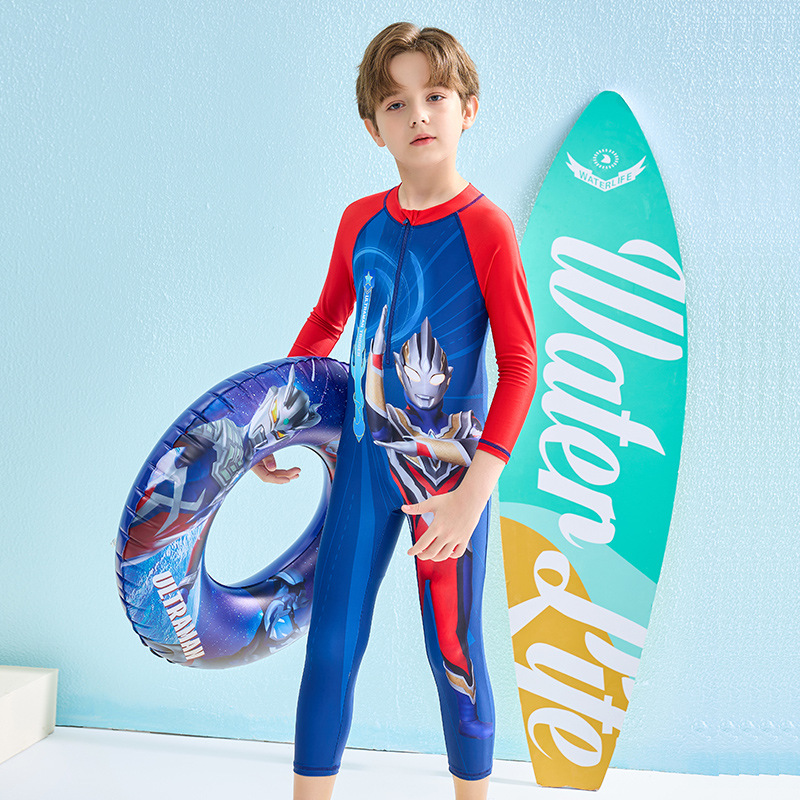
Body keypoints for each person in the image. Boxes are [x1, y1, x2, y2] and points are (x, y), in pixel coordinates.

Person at [253, 22, 537, 800]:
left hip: (449, 478)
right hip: (362, 470)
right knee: (332, 645)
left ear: (468, 108)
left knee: (454, 650)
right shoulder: (360, 221)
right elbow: (325, 324)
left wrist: (473, 495)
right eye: (396, 103)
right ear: (373, 127)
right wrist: (274, 423)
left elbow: (520, 365)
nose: (418, 114)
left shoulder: (486, 228)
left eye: (435, 96)